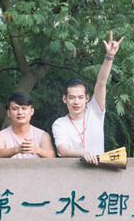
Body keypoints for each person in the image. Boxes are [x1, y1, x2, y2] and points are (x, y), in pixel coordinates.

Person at [52, 31, 123, 165]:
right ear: (64, 99)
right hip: (72, 173)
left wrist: (109, 57)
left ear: (87, 98)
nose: (76, 102)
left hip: (99, 170)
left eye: (80, 97)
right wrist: (82, 153)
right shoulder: (59, 124)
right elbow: (63, 150)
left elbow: (101, 83)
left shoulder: (95, 110)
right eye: (72, 97)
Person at [0, 92, 55, 159]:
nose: (20, 112)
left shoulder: (43, 135)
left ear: (32, 111)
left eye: (24, 108)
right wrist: (17, 149)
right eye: (15, 109)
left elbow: (52, 157)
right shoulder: (0, 136)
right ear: (9, 113)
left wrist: (37, 150)